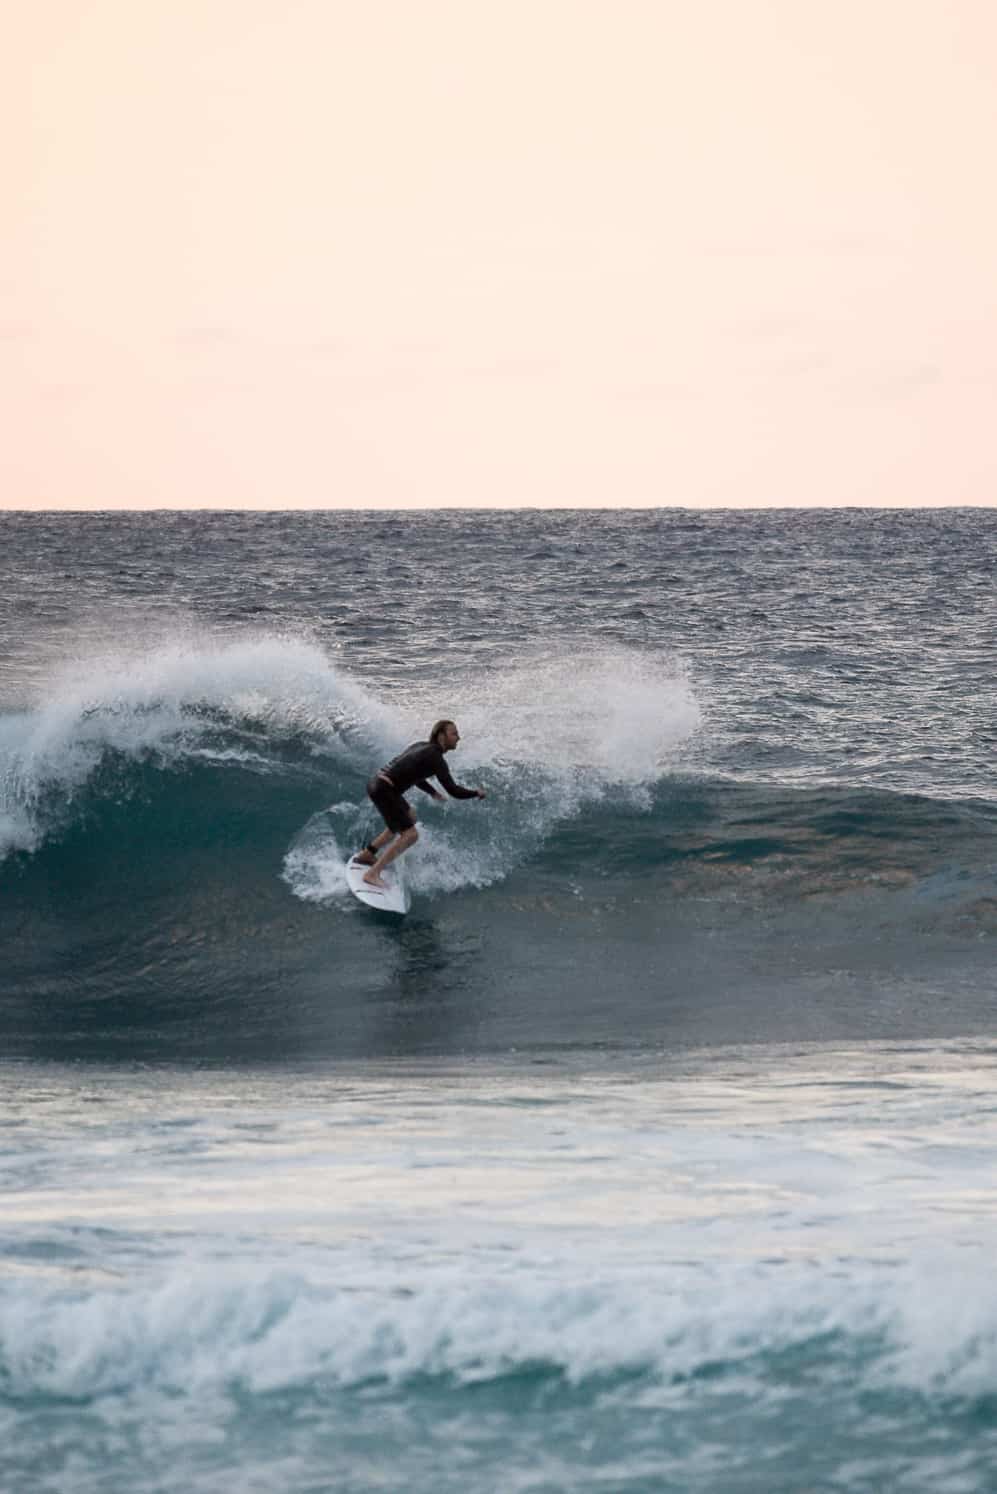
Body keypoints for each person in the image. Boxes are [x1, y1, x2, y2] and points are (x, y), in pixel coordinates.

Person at [354, 720, 486, 888]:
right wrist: (476, 793)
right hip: (385, 789)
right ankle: (373, 873)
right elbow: (454, 791)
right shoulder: (436, 757)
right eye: (454, 734)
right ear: (441, 736)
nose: (458, 738)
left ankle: (368, 854)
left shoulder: (421, 746)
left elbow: (415, 775)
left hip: (379, 784)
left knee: (409, 816)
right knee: (411, 835)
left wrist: (433, 792)